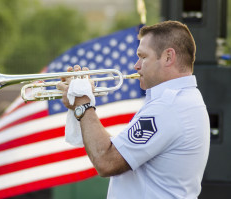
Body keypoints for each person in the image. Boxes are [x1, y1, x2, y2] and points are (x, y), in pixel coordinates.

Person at [57, 21, 210, 199]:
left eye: (143, 57)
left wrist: (83, 104)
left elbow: (106, 161)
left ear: (168, 57)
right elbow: (118, 151)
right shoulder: (182, 100)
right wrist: (81, 104)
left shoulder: (168, 107)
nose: (136, 66)